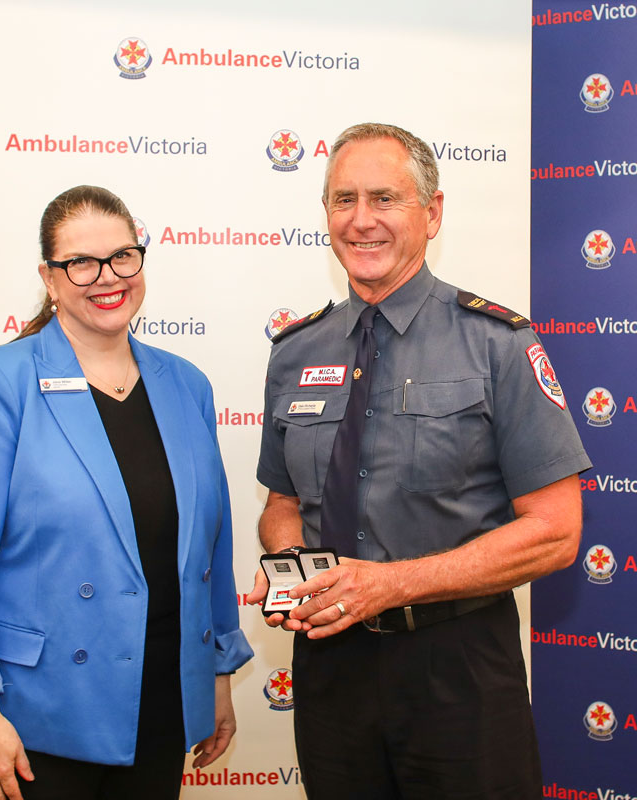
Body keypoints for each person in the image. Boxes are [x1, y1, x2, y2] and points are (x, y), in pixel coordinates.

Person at [247, 123, 590, 799]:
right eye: (344, 200)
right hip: (330, 669)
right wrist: (291, 571)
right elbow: (283, 508)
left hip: (457, 668)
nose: (362, 219)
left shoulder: (497, 344)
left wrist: (391, 584)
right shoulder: (294, 351)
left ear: (431, 214)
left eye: (385, 198)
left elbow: (557, 531)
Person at [0, 185, 253, 800]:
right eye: (81, 263)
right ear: (50, 277)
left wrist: (216, 672)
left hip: (157, 705)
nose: (107, 278)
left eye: (123, 256)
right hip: (25, 720)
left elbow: (209, 545)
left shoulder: (185, 385)